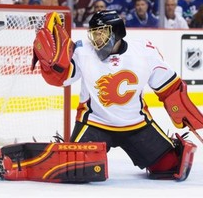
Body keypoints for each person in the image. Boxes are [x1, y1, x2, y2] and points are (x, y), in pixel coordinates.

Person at [31, 10, 203, 181]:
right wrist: (51, 65)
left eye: (102, 33)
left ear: (117, 32)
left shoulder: (145, 51)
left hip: (136, 124)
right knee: (75, 170)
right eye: (94, 34)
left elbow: (170, 88)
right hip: (94, 123)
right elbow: (60, 79)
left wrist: (182, 111)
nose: (97, 39)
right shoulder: (82, 51)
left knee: (169, 166)